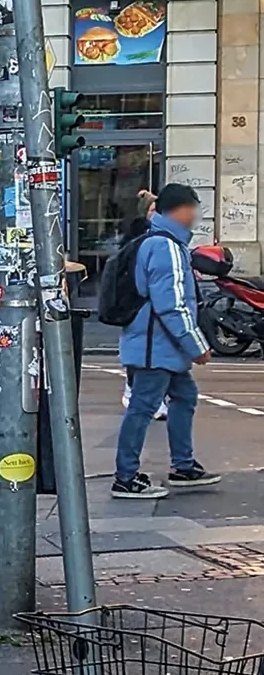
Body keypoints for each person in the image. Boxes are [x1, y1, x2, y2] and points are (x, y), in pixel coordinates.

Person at [112, 183, 220, 500]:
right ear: (181, 210)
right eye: (194, 208)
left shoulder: (163, 242)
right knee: (143, 408)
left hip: (156, 344)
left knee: (184, 396)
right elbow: (171, 304)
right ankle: (126, 477)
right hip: (154, 347)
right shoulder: (166, 247)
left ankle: (183, 466)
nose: (197, 215)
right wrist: (195, 344)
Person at [119, 190, 167, 420]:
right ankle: (135, 392)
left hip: (152, 301)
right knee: (141, 350)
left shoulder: (162, 235)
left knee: (156, 351)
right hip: (139, 303)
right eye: (152, 210)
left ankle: (153, 397)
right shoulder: (138, 238)